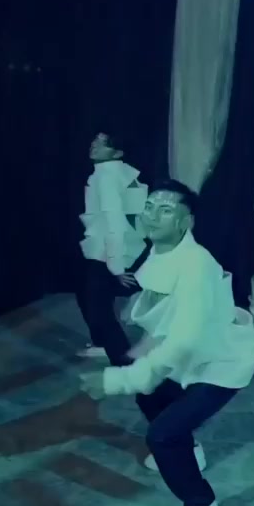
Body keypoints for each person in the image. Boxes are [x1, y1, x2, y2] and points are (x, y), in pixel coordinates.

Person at [79, 180, 254, 506]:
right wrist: (143, 350)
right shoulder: (159, 252)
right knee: (150, 395)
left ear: (185, 221)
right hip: (193, 357)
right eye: (149, 206)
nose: (151, 215)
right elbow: (167, 316)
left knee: (162, 435)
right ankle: (189, 450)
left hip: (221, 363)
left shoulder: (195, 265)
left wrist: (118, 380)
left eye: (165, 210)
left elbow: (184, 339)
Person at [75, 132, 148, 365]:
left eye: (102, 144)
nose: (94, 146)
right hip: (114, 246)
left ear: (117, 153)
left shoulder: (107, 177)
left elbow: (114, 221)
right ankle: (103, 345)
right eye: (95, 141)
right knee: (88, 296)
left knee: (98, 308)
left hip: (108, 250)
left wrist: (116, 265)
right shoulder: (123, 172)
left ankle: (124, 362)